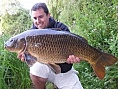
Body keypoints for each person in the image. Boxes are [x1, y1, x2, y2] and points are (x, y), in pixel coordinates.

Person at [18, 2, 83, 89]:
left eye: (40, 17)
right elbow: (31, 62)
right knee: (35, 69)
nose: (38, 21)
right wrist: (26, 58)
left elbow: (72, 52)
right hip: (45, 70)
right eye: (35, 18)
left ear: (48, 15)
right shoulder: (30, 35)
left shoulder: (61, 28)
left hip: (64, 72)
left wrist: (71, 59)